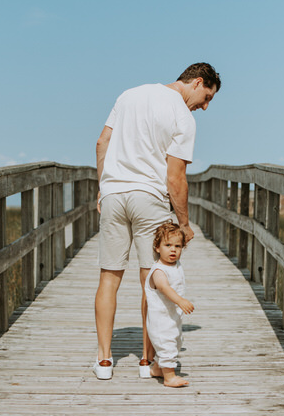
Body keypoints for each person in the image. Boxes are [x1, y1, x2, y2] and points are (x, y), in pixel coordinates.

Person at [93, 62, 220, 380]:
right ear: (197, 82)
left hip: (113, 194)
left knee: (109, 277)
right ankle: (146, 362)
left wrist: (103, 188)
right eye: (206, 98)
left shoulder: (129, 95)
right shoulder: (183, 116)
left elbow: (102, 143)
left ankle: (105, 361)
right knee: (152, 281)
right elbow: (175, 177)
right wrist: (185, 223)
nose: (204, 107)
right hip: (149, 198)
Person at [144, 220, 194, 388]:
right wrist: (180, 301)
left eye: (178, 246)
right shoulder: (159, 271)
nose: (173, 249)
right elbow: (164, 287)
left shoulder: (175, 264)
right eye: (168, 245)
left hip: (172, 317)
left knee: (176, 341)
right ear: (157, 248)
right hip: (160, 319)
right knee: (167, 345)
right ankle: (169, 377)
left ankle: (157, 368)